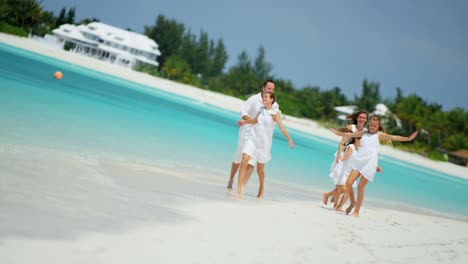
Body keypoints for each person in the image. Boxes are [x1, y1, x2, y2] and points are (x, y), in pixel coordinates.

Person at [330, 114, 418, 217]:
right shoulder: (364, 132)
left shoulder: (379, 135)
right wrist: (337, 133)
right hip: (359, 162)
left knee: (360, 187)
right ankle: (353, 202)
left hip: (370, 165)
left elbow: (394, 137)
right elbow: (351, 135)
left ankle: (356, 211)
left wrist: (408, 138)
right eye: (371, 125)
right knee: (348, 183)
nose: (372, 127)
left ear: (378, 126)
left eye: (374, 126)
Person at [236, 92, 294, 197]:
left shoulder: (275, 113)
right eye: (263, 97)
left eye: (266, 97)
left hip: (264, 144)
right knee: (244, 159)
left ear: (272, 99)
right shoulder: (261, 109)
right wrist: (243, 122)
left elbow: (282, 128)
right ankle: (239, 188)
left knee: (260, 170)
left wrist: (289, 139)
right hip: (253, 138)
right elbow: (254, 121)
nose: (264, 98)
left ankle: (261, 187)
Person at [227, 80, 279, 189]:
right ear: (263, 88)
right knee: (238, 158)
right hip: (246, 131)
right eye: (269, 88)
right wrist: (249, 120)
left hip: (259, 136)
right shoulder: (254, 99)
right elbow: (243, 110)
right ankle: (231, 178)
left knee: (251, 161)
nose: (270, 90)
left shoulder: (274, 105)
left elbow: (274, 121)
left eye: (272, 89)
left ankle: (241, 186)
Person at [327, 110, 369, 205]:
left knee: (346, 182)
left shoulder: (366, 132)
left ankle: (334, 195)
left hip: (354, 158)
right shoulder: (351, 127)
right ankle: (336, 204)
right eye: (360, 117)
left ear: (366, 120)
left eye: (364, 118)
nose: (362, 119)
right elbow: (342, 142)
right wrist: (338, 156)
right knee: (340, 179)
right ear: (357, 118)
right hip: (344, 155)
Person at [323, 135, 361, 212]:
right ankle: (330, 197)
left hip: (350, 172)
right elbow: (346, 157)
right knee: (345, 190)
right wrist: (342, 158)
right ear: (356, 139)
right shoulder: (351, 147)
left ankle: (335, 204)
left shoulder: (358, 149)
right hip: (343, 171)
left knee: (345, 190)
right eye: (361, 140)